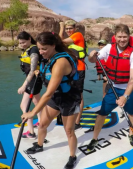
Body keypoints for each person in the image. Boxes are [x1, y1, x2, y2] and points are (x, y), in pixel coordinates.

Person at [21, 32, 81, 169]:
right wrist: (39, 72)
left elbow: (48, 94)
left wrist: (32, 113)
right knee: (42, 124)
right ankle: (39, 145)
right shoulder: (48, 59)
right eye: (39, 48)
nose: (41, 52)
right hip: (57, 97)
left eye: (44, 49)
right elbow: (49, 75)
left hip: (69, 99)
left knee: (69, 131)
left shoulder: (61, 62)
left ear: (53, 46)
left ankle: (73, 156)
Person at [87, 24, 133, 149]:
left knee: (132, 114)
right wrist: (91, 55)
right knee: (102, 114)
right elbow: (92, 60)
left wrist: (125, 96)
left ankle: (131, 134)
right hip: (113, 87)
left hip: (130, 89)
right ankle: (94, 139)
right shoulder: (108, 48)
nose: (122, 40)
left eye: (125, 37)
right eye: (120, 37)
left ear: (129, 37)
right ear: (115, 37)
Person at [59, 20, 87, 130]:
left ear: (75, 29)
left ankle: (77, 121)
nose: (68, 30)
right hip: (71, 70)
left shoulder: (78, 35)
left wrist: (61, 27)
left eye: (70, 28)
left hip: (79, 69)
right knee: (69, 93)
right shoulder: (71, 41)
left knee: (79, 95)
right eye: (67, 29)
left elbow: (60, 40)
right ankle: (69, 115)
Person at [17, 31, 43, 139]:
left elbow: (32, 70)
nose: (22, 45)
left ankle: (31, 132)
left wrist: (24, 86)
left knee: (23, 106)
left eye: (23, 42)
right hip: (35, 79)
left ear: (29, 39)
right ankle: (41, 123)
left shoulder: (33, 50)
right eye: (20, 43)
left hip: (34, 80)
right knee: (37, 102)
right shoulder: (29, 49)